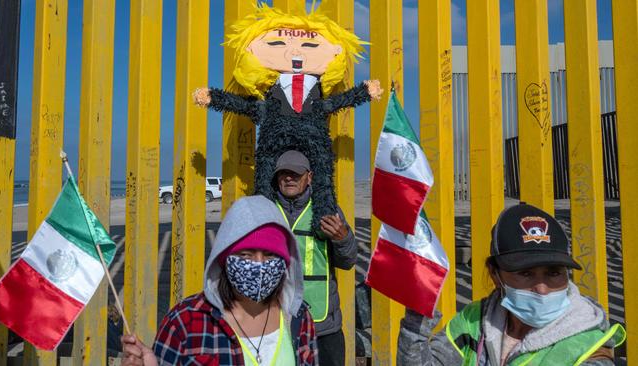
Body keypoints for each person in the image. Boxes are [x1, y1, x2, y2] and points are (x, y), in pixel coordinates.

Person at [193, 4, 383, 232]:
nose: (295, 53)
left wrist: (362, 92)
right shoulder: (271, 98)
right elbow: (246, 106)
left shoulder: (316, 96)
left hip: (313, 138)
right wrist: (214, 97)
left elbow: (336, 102)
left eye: (310, 46)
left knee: (323, 173)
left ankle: (324, 221)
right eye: (277, 44)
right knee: (264, 172)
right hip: (275, 137)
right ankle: (263, 220)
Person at [397, 203, 626, 365]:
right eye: (525, 273)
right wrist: (414, 327)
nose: (542, 288)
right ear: (495, 275)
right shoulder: (473, 322)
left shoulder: (588, 345)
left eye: (554, 273)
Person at [121, 195, 317, 365]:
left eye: (269, 255)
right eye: (246, 255)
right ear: (223, 260)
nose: (259, 264)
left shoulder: (297, 317)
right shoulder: (185, 321)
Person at [271, 150, 356, 366]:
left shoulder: (327, 211)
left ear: (309, 177)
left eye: (296, 173)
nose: (289, 178)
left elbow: (348, 261)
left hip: (323, 326)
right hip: (275, 323)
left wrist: (342, 238)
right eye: (283, 173)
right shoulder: (266, 210)